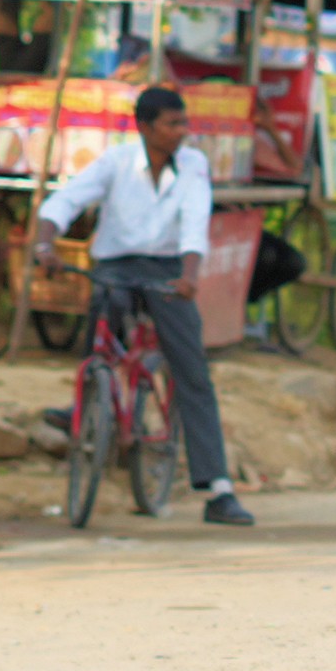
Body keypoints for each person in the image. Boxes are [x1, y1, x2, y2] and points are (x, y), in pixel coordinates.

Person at [32, 87, 254, 527]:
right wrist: (44, 244)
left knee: (191, 370)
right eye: (172, 124)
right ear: (145, 127)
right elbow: (66, 200)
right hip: (116, 265)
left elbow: (195, 221)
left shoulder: (193, 164)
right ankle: (88, 402)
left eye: (183, 123)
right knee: (102, 319)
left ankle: (218, 489)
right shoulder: (116, 162)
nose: (182, 132)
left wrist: (190, 276)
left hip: (170, 270)